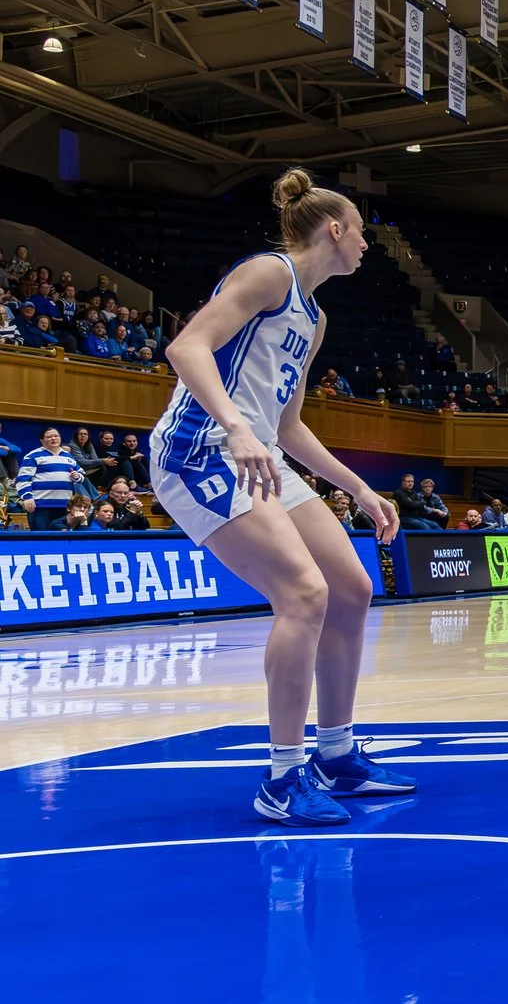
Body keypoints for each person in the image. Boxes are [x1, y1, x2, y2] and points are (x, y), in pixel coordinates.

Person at [146, 170, 409, 827]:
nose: (368, 246)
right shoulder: (269, 273)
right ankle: (282, 778)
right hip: (201, 449)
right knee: (303, 593)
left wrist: (358, 488)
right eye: (362, 234)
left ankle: (337, 755)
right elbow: (186, 346)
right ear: (336, 229)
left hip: (257, 452)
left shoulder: (314, 318)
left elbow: (287, 426)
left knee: (350, 585)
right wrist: (235, 425)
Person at [18, 428, 83, 530]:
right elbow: (23, 479)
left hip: (64, 505)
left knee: (60, 540)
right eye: (49, 437)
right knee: (40, 538)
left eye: (56, 436)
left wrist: (77, 476)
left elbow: (81, 475)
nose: (53, 438)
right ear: (42, 440)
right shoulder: (32, 456)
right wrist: (27, 498)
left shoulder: (68, 456)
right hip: (40, 506)